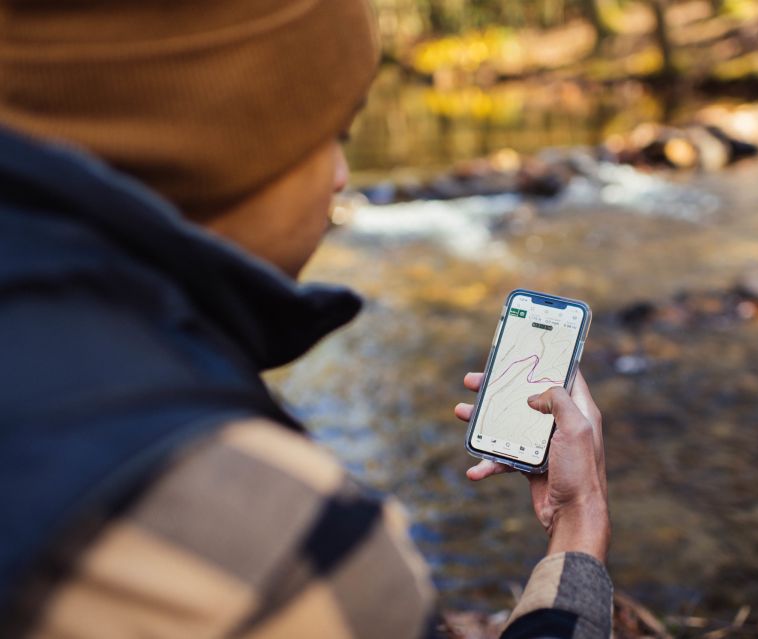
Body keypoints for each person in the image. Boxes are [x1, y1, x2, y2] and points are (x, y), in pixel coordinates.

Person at [0, 0, 612, 637]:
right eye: (335, 135)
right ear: (225, 153)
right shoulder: (275, 544)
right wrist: (580, 521)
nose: (343, 177)